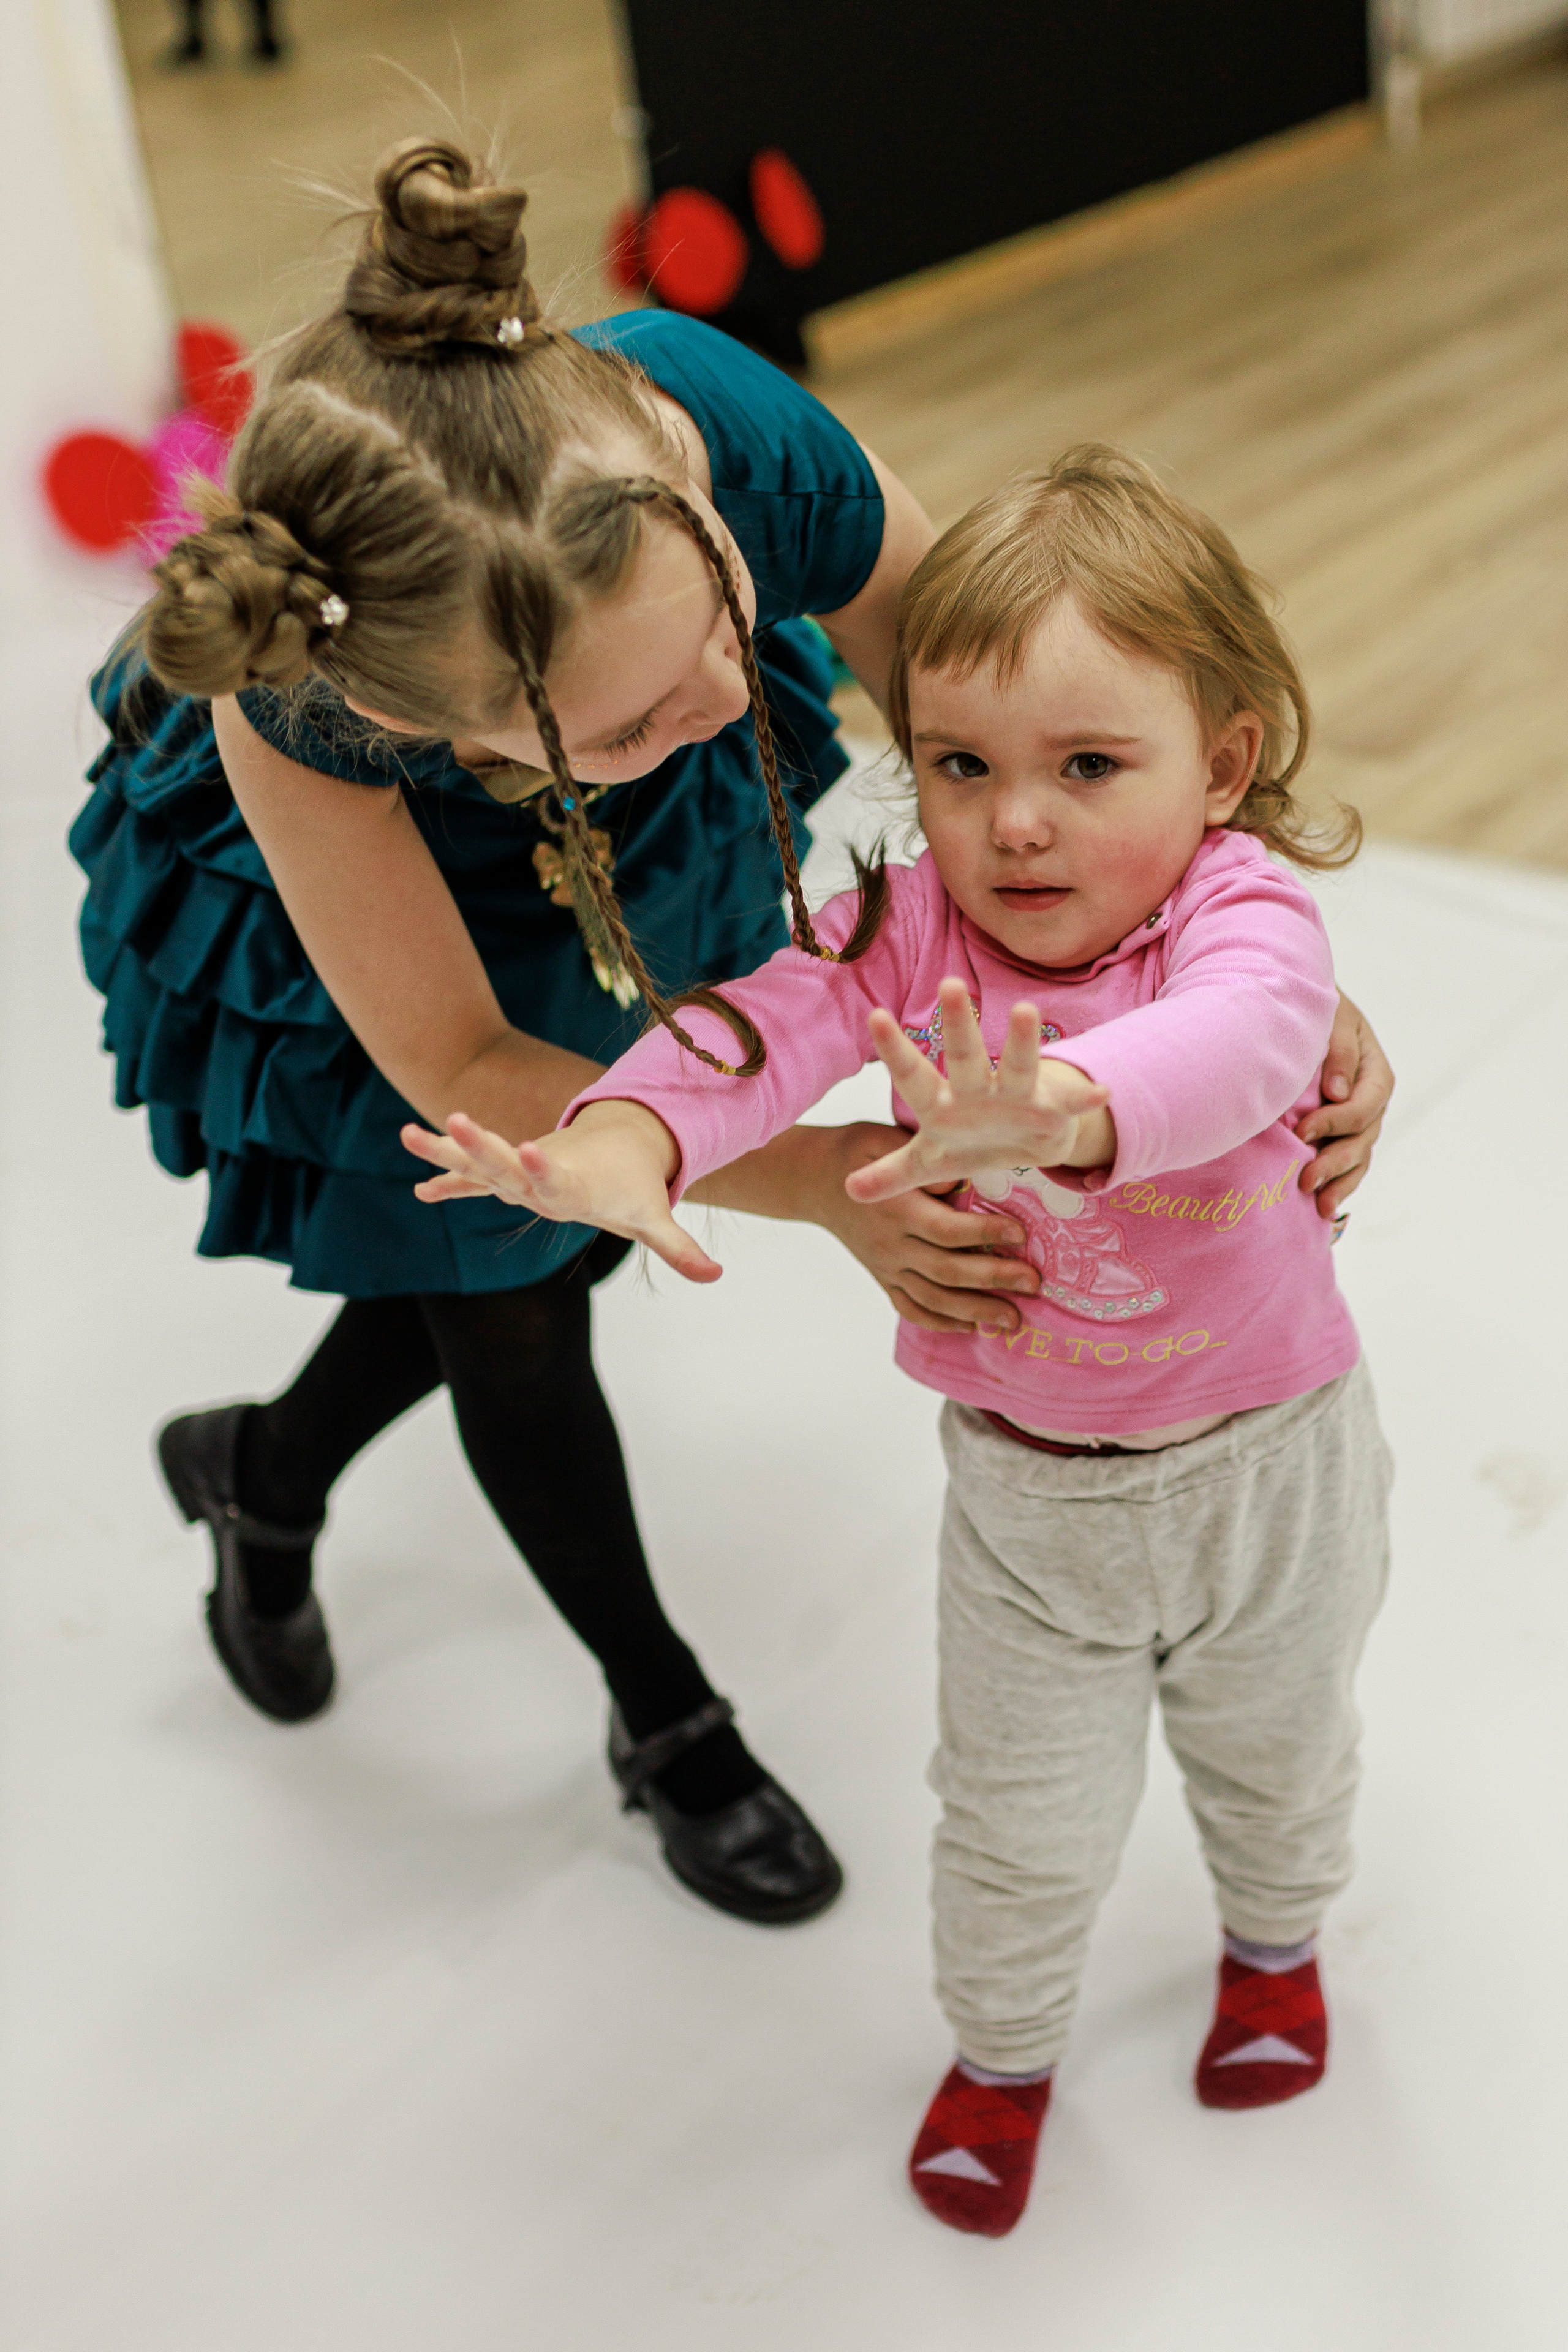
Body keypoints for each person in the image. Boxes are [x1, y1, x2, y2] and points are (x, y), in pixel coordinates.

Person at [72, 132, 1389, 1932]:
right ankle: (664, 1715)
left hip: (615, 842)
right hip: (414, 924)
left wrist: (1263, 981)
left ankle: (260, 1470)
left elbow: (1023, 725)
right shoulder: (314, 713)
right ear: (437, 727)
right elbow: (466, 1066)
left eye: (722, 641)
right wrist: (828, 1179)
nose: (716, 709)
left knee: (492, 1267)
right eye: (630, 720)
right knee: (513, 1268)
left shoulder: (724, 439)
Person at [405, 447, 1394, 2234]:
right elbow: (759, 1031)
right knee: (1014, 1817)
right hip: (1030, 1501)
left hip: (1276, 1471)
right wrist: (620, 1145)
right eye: (962, 766)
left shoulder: (1242, 915)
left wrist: (1066, 1108)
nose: (1017, 820)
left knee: (1280, 1753)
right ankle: (1005, 2056)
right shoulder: (912, 917)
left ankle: (1276, 1947)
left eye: (1089, 769)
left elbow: (1247, 1046)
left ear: (1222, 766)